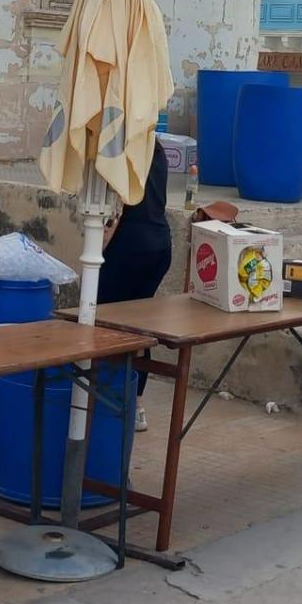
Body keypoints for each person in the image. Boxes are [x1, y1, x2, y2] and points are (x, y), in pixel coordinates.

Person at [99, 142, 173, 431]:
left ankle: (106, 401)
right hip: (160, 245)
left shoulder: (123, 150)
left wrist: (100, 248)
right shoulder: (156, 150)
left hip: (130, 244)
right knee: (137, 328)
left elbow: (115, 210)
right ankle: (136, 406)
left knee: (105, 325)